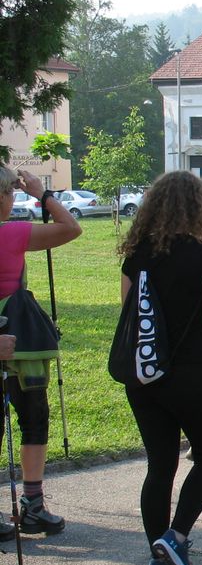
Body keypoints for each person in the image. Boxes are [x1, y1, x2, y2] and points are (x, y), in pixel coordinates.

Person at [118, 171, 202, 565]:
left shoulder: (136, 257)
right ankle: (176, 535)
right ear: (199, 208)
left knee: (160, 464)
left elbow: (132, 320)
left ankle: (157, 560)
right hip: (189, 375)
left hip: (144, 377)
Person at [0, 167, 81, 542]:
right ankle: (32, 504)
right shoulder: (12, 234)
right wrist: (43, 194)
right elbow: (70, 228)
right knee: (34, 419)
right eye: (11, 193)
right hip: (20, 346)